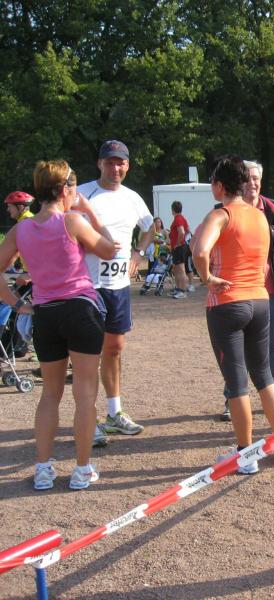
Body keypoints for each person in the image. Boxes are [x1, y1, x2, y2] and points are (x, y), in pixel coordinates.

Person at [0, 160, 119, 490]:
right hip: (80, 310)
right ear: (65, 189)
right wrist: (90, 213)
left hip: (46, 313)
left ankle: (42, 469)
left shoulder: (21, 230)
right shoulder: (73, 221)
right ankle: (82, 470)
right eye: (73, 187)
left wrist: (18, 304)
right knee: (85, 393)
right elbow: (110, 250)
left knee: (50, 394)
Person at [193, 155, 274, 470]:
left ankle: (245, 453)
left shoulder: (221, 215)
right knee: (264, 376)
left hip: (227, 303)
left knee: (237, 382)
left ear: (219, 185)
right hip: (260, 300)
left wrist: (207, 278)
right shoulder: (260, 216)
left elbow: (200, 251)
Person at [204, 160, 274, 421]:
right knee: (249, 365)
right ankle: (236, 403)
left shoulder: (272, 210)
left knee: (271, 349)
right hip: (251, 294)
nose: (252, 183)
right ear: (239, 182)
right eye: (248, 178)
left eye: (256, 178)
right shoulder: (232, 213)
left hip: (259, 292)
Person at [77, 140, 154, 447]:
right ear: (99, 164)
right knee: (88, 355)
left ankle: (114, 413)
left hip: (118, 286)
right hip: (86, 285)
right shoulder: (81, 194)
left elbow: (150, 227)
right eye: (110, 162)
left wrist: (138, 253)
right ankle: (88, 419)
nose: (115, 167)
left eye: (120, 162)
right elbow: (62, 227)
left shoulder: (133, 198)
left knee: (114, 349)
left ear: (128, 166)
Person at [168, 201, 191, 299]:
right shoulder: (181, 218)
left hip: (179, 247)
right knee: (176, 269)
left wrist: (178, 243)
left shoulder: (178, 219)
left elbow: (182, 232)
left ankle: (183, 291)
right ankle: (178, 289)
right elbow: (188, 230)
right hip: (179, 247)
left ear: (173, 209)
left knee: (181, 269)